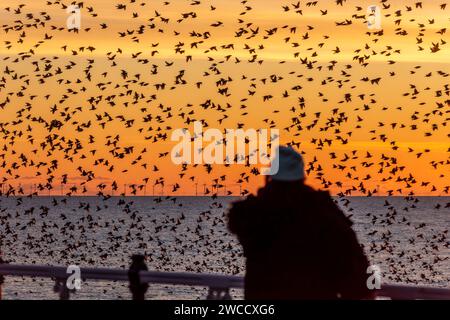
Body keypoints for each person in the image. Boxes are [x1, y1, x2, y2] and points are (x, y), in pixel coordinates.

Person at [227, 146, 372, 300]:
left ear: (269, 177)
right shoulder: (325, 216)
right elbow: (361, 282)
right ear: (302, 177)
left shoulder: (252, 216)